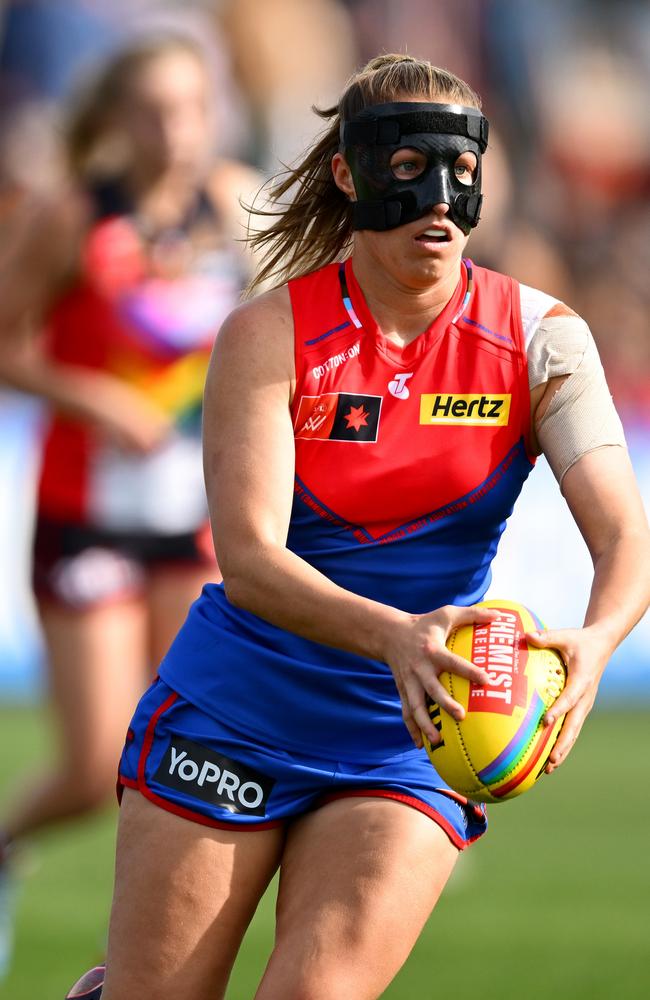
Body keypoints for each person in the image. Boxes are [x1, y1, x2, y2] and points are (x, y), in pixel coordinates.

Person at [66, 54, 650, 1000]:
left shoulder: (544, 340)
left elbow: (626, 536)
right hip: (233, 712)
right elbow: (250, 560)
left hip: (410, 730)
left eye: (463, 174)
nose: (442, 201)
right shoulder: (266, 336)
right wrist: (397, 636)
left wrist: (595, 640)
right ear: (351, 174)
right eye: (410, 168)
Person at [0, 32, 260, 976]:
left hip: (191, 518)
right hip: (84, 513)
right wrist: (94, 396)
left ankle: (135, 972)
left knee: (179, 754)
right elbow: (6, 343)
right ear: (115, 119)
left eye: (192, 108)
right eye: (154, 111)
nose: (176, 131)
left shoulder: (233, 204)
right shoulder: (72, 217)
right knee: (92, 764)